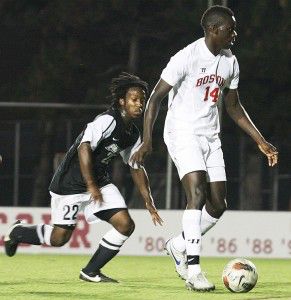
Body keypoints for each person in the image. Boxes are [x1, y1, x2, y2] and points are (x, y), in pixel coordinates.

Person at [131, 5, 278, 292]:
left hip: (210, 136)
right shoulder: (186, 57)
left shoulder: (230, 62)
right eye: (230, 29)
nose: (234, 34)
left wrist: (260, 139)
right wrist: (147, 140)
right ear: (213, 29)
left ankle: (179, 244)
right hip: (182, 132)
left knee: (218, 204)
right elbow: (155, 100)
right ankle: (193, 270)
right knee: (196, 192)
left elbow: (233, 106)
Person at [4, 72, 163, 283]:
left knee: (125, 224)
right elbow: (84, 148)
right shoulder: (107, 120)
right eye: (135, 100)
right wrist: (90, 185)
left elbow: (135, 166)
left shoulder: (133, 133)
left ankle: (91, 271)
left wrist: (148, 201)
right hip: (70, 184)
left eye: (142, 100)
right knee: (59, 238)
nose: (140, 105)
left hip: (99, 183)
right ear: (122, 101)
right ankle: (18, 232)